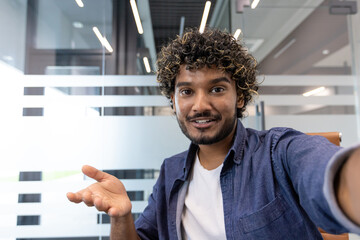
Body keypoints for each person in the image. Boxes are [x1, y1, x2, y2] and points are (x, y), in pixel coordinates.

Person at [67, 28, 360, 239]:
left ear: (240, 97)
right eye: (186, 92)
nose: (200, 105)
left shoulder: (278, 151)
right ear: (174, 101)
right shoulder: (171, 171)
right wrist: (121, 217)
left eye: (217, 89)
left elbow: (322, 171)